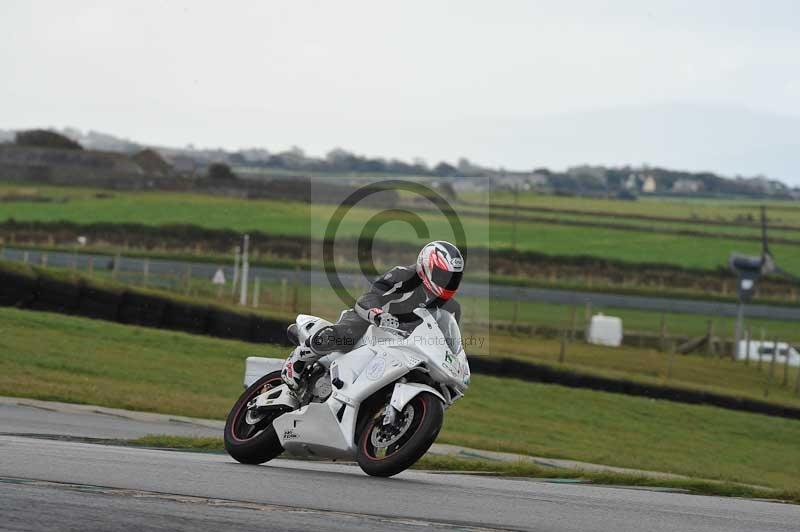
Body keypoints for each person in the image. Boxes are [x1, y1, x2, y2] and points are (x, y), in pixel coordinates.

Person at [281, 240, 464, 390]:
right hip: (370, 323)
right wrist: (378, 315)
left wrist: (456, 365)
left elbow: (447, 341)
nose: (448, 282)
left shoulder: (451, 308)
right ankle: (297, 361)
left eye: (453, 277)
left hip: (406, 344)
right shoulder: (403, 276)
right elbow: (368, 298)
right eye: (443, 275)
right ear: (427, 266)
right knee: (347, 336)